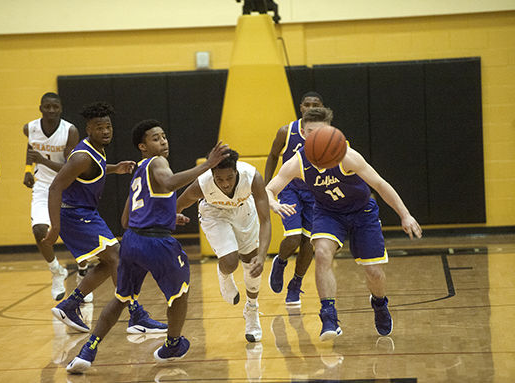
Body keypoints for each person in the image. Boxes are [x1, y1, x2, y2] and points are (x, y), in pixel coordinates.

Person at [66, 119, 229, 373]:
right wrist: (208, 164)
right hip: (157, 243)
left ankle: (87, 351)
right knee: (180, 294)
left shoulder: (138, 170)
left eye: (164, 136)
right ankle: (173, 344)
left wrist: (164, 215)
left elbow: (125, 219)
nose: (163, 141)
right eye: (155, 138)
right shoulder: (158, 163)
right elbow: (170, 183)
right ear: (143, 146)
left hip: (131, 240)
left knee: (121, 298)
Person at [265, 107, 422, 340]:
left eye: (321, 132)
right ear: (304, 134)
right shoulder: (299, 162)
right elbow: (270, 188)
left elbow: (379, 184)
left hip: (362, 212)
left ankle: (379, 304)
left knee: (374, 272)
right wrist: (274, 203)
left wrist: (405, 214)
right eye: (310, 132)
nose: (315, 136)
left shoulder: (348, 156)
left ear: (331, 132)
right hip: (328, 213)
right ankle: (328, 315)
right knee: (322, 253)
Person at [44, 103, 167, 335]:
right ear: (88, 129)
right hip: (73, 215)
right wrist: (55, 227)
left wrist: (115, 168)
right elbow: (55, 187)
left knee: (108, 261)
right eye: (99, 127)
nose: (105, 131)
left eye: (108, 126)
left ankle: (70, 305)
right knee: (117, 256)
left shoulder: (97, 150)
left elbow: (94, 168)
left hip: (86, 213)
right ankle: (136, 314)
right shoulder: (81, 156)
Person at [176, 149, 271, 342]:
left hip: (244, 211)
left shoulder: (252, 177)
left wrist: (262, 255)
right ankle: (224, 275)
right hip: (214, 213)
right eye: (220, 180)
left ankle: (252, 310)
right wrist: (171, 218)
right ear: (212, 175)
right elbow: (178, 205)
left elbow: (266, 221)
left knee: (252, 263)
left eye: (229, 177)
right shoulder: (201, 185)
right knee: (229, 262)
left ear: (236, 171)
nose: (226, 183)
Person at [22, 92, 91, 302]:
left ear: (60, 108)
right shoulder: (29, 128)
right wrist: (27, 169)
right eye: (47, 107)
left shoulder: (69, 131)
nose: (51, 110)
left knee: (78, 236)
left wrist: (41, 160)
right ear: (40, 108)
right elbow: (31, 148)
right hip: (43, 186)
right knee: (39, 230)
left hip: (67, 185)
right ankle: (56, 271)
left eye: (55, 107)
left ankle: (83, 271)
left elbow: (70, 167)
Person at [264, 91, 327, 306]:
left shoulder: (328, 135)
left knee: (308, 242)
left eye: (315, 104)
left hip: (315, 191)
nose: (310, 107)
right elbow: (273, 155)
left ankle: (296, 284)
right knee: (293, 237)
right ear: (301, 107)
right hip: (290, 188)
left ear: (321, 107)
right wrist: (267, 185)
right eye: (307, 104)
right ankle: (280, 262)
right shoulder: (287, 131)